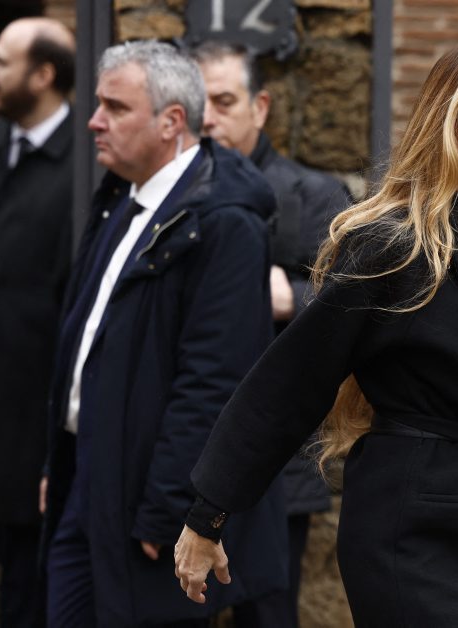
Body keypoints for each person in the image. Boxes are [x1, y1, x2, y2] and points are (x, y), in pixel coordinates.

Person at [173, 39, 458, 627]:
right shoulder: (391, 246)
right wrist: (208, 516)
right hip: (411, 527)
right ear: (453, 122)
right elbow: (292, 383)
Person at [41, 40, 288, 627]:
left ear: (172, 121)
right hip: (89, 477)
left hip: (149, 505)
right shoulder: (121, 200)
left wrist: (169, 508)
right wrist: (60, 463)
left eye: (115, 107)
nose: (94, 121)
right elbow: (86, 340)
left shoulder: (225, 222)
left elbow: (213, 382)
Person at [191, 39, 351, 627]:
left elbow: (358, 307)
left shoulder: (313, 194)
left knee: (267, 612)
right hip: (187, 445)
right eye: (198, 103)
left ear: (260, 107)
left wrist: (295, 297)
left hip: (274, 456)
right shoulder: (177, 194)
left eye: (224, 101)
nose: (208, 117)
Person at [0, 17, 74, 628]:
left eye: (0, 61)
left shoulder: (87, 166)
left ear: (42, 75)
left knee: (26, 596)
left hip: (31, 432)